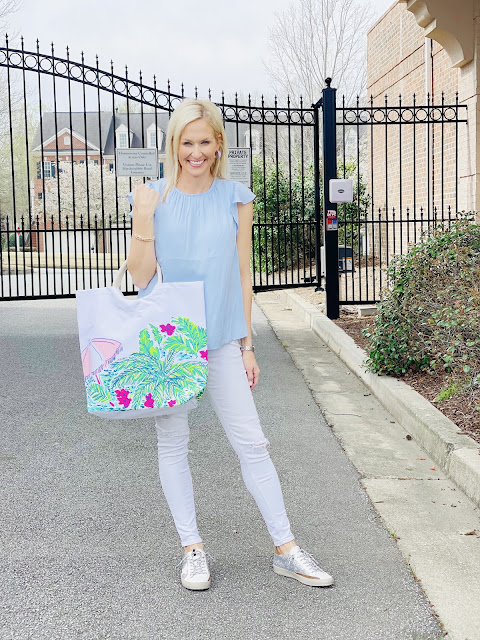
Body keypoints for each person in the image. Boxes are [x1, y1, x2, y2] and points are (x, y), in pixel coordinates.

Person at [126, 98, 333, 591]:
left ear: (219, 144)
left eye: (204, 141)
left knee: (253, 443)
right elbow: (139, 278)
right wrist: (143, 221)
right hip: (170, 346)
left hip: (221, 338)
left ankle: (286, 549)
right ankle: (192, 549)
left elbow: (243, 275)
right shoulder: (152, 197)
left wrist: (247, 344)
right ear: (174, 145)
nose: (195, 152)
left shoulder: (237, 198)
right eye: (186, 142)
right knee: (173, 443)